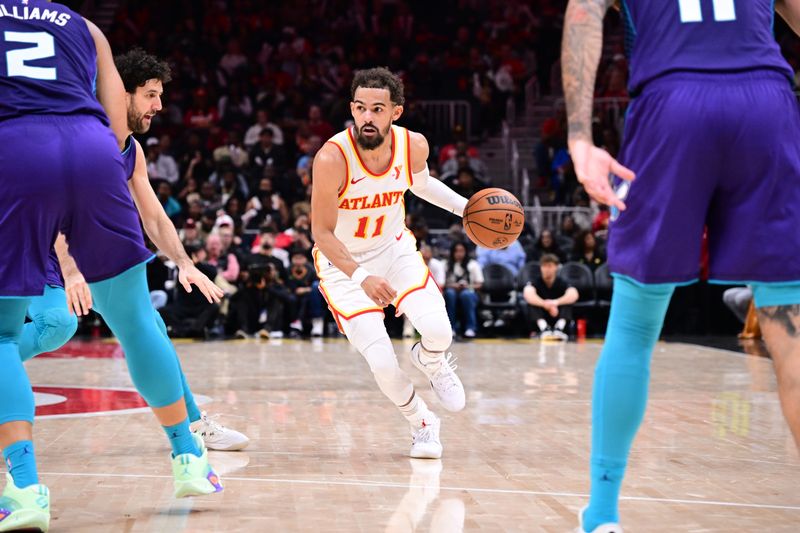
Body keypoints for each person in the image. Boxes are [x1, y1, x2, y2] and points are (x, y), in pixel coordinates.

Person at [562, 1, 800, 531]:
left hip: (674, 103)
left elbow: (583, 13)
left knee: (634, 321)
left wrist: (580, 137)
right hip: (766, 101)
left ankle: (601, 515)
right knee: (791, 331)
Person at [0, 4, 222, 529]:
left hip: (15, 150)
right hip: (93, 147)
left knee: (4, 335)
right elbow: (117, 124)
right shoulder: (83, 25)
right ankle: (188, 458)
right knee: (137, 317)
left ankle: (26, 490)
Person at [19, 47, 249, 453]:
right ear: (120, 93)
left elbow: (155, 217)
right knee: (59, 324)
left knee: (151, 328)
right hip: (37, 253)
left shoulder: (130, 151)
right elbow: (52, 208)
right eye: (150, 94)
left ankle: (193, 426)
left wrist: (184, 263)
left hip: (87, 260)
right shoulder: (76, 137)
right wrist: (72, 272)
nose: (158, 106)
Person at [311, 67, 469, 459]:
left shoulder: (413, 145)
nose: (367, 117)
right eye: (361, 108)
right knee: (382, 362)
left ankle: (430, 359)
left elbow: (421, 183)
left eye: (377, 109)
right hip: (343, 265)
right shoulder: (332, 158)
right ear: (351, 108)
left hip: (394, 249)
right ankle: (422, 422)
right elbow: (322, 234)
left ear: (395, 112)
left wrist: (466, 209)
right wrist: (361, 276)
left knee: (439, 331)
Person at [522, 254, 578, 341]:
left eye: (550, 266)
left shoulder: (561, 282)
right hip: (542, 314)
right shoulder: (536, 281)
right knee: (533, 303)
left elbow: (574, 294)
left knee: (568, 302)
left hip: (557, 313)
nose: (547, 269)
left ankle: (559, 329)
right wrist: (545, 304)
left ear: (556, 267)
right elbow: (528, 294)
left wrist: (555, 302)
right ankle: (544, 329)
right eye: (544, 266)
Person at [443, 242, 483, 339]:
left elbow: (480, 284)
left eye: (461, 251)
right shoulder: (445, 264)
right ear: (452, 252)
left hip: (469, 292)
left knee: (466, 295)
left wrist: (468, 286)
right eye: (456, 251)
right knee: (449, 293)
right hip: (452, 291)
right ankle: (450, 328)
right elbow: (441, 283)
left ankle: (470, 328)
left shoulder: (473, 264)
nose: (459, 254)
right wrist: (453, 285)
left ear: (466, 252)